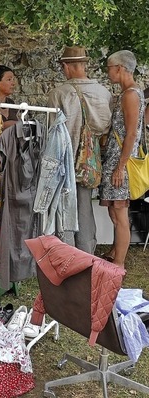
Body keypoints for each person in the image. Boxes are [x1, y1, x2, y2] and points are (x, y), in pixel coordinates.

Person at [47, 46, 112, 254]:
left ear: (66, 66)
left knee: (65, 209)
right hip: (90, 162)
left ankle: (69, 254)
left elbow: (51, 129)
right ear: (85, 65)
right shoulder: (104, 93)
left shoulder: (59, 94)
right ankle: (87, 252)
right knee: (85, 208)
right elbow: (105, 128)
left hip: (64, 161)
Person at [99, 50, 145, 267]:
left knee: (120, 214)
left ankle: (119, 263)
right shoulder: (128, 93)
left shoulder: (130, 95)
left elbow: (132, 134)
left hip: (120, 162)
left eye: (109, 67)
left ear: (120, 68)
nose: (108, 72)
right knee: (114, 210)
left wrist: (120, 167)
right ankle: (115, 252)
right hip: (115, 160)